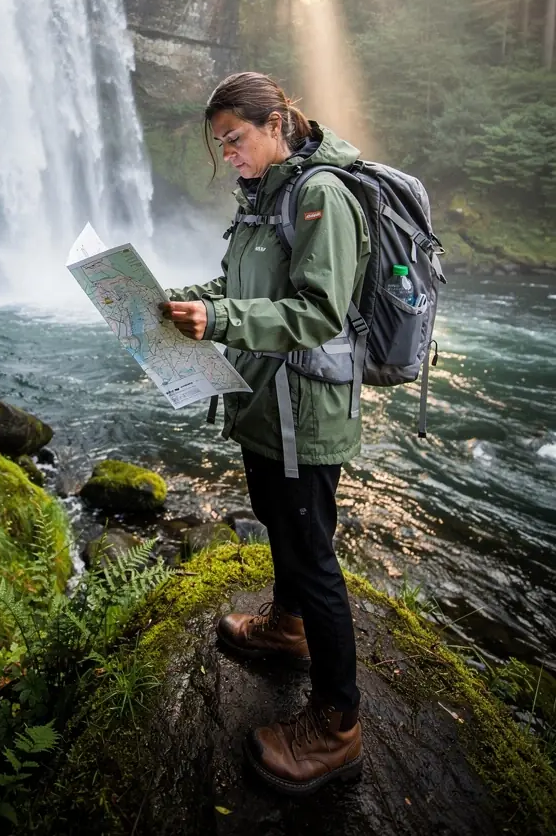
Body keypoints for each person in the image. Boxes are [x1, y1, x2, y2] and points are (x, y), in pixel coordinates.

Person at [162, 71, 370, 797]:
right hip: (264, 401)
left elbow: (317, 312)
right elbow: (236, 291)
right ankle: (288, 626)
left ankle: (338, 723)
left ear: (276, 122)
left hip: (306, 411)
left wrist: (217, 323)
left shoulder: (321, 196)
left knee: (313, 554)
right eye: (221, 144)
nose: (229, 155)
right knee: (278, 521)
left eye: (237, 138)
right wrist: (179, 301)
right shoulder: (264, 198)